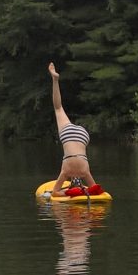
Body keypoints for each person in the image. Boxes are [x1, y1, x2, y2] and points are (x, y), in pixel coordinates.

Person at [48, 62, 101, 197]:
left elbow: (54, 193)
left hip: (79, 140)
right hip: (81, 136)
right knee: (59, 108)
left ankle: (55, 80)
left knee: (58, 108)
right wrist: (83, 192)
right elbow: (95, 191)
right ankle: (54, 79)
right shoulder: (82, 171)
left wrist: (69, 192)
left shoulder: (68, 171)